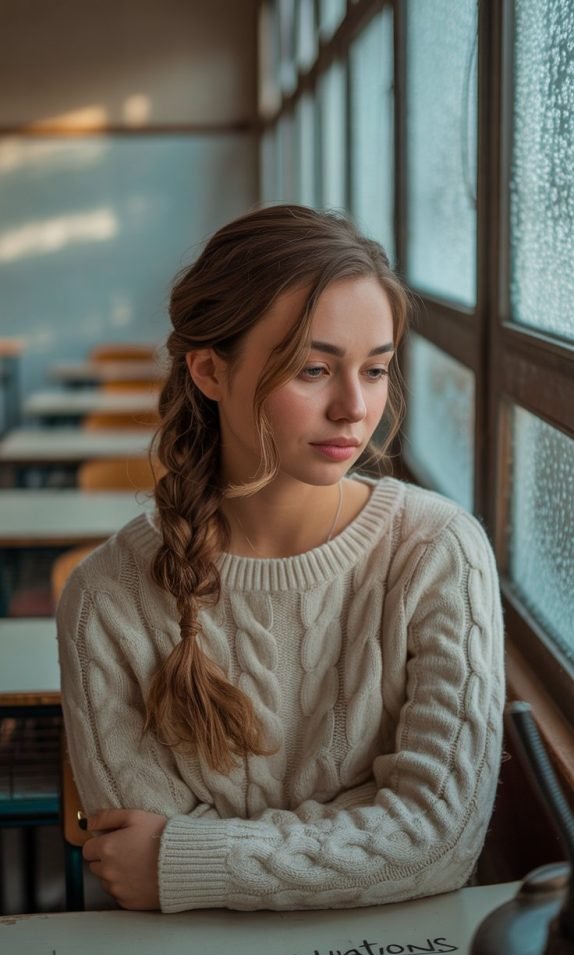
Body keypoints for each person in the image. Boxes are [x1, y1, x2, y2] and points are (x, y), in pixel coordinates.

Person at [56, 204, 505, 914]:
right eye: (313, 369)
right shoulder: (106, 596)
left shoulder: (437, 551)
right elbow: (130, 851)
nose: (354, 407)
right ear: (208, 371)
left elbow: (439, 838)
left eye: (377, 369)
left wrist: (193, 858)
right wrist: (366, 827)